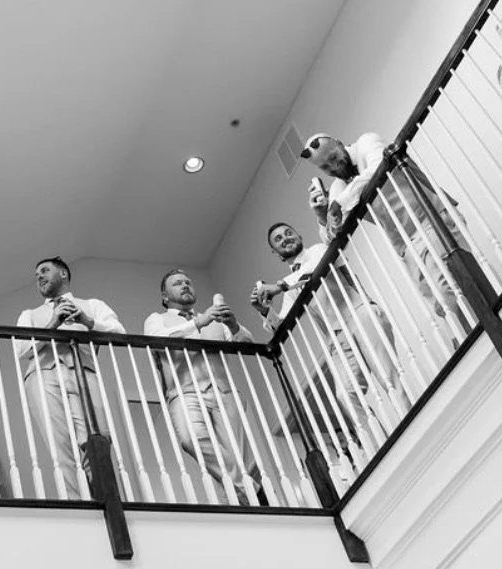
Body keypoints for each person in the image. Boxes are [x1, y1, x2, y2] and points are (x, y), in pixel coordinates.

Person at [250, 222, 402, 451]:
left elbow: (312, 270)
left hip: (359, 314)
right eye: (278, 240)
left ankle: (412, 415)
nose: (285, 239)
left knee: (388, 376)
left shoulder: (318, 250)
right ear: (276, 252)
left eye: (288, 233)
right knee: (345, 394)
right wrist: (265, 311)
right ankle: (381, 445)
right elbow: (281, 324)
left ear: (298, 234)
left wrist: (279, 286)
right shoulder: (290, 282)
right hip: (337, 339)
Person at [301, 131, 468, 333]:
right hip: (406, 247)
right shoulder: (339, 188)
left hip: (431, 217)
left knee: (449, 288)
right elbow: (331, 240)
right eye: (325, 167)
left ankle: (474, 335)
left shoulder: (367, 142)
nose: (334, 167)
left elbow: (376, 168)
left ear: (339, 143)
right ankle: (466, 334)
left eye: (334, 158)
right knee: (437, 301)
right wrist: (322, 216)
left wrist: (341, 202)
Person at [143, 269, 264, 506]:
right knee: (191, 439)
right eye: (177, 283)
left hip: (224, 391)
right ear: (165, 296)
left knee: (241, 457)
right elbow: (158, 340)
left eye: (188, 282)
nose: (185, 285)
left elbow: (247, 345)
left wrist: (233, 324)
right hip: (184, 392)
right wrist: (199, 322)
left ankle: (241, 502)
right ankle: (253, 493)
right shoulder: (156, 318)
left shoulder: (215, 319)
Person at [15, 257, 125, 499]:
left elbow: (119, 332)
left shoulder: (92, 305)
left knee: (98, 438)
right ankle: (77, 503)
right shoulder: (30, 314)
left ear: (63, 274)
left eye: (44, 271)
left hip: (83, 371)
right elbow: (21, 349)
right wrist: (53, 324)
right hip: (43, 375)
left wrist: (87, 321)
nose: (39, 277)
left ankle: (108, 501)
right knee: (60, 446)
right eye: (36, 275)